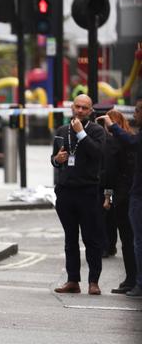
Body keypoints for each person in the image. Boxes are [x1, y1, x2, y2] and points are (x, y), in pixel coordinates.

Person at [51, 94, 106, 295]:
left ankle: (94, 281)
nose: (80, 110)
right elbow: (55, 160)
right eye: (77, 106)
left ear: (91, 111)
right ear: (72, 107)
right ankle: (73, 280)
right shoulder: (61, 131)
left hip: (88, 191)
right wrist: (57, 159)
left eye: (85, 108)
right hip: (66, 192)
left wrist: (81, 133)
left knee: (91, 238)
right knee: (70, 239)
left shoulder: (97, 131)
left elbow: (98, 154)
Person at [98, 100, 142, 298]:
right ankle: (132, 279)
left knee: (129, 239)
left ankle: (133, 280)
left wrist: (107, 195)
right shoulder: (132, 136)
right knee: (131, 239)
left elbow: (110, 173)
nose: (135, 114)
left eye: (137, 111)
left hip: (125, 194)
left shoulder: (115, 142)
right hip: (129, 191)